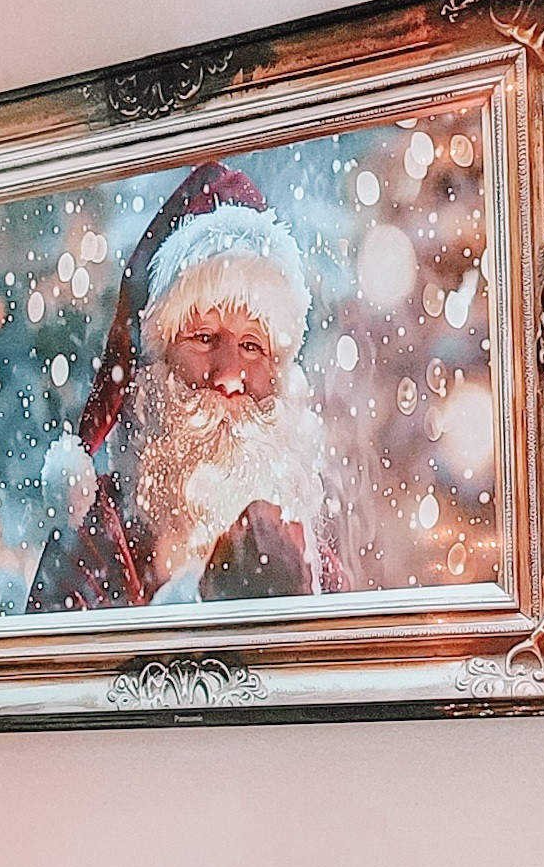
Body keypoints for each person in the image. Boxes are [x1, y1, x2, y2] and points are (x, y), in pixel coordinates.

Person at [27, 163, 342, 612]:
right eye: (205, 338)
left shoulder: (309, 561)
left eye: (252, 346)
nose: (229, 376)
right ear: (154, 366)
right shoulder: (98, 538)